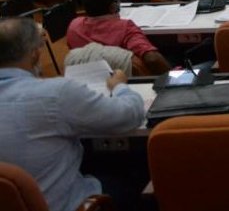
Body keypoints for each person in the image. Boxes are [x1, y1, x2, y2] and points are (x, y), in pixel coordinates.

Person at [0, 17, 146, 211]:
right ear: (35, 54)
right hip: (71, 205)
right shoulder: (56, 93)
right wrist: (119, 86)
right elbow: (129, 115)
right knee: (136, 171)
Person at [66, 0, 170, 74]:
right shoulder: (125, 28)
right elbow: (153, 59)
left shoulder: (74, 27)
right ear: (113, 7)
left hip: (90, 81)